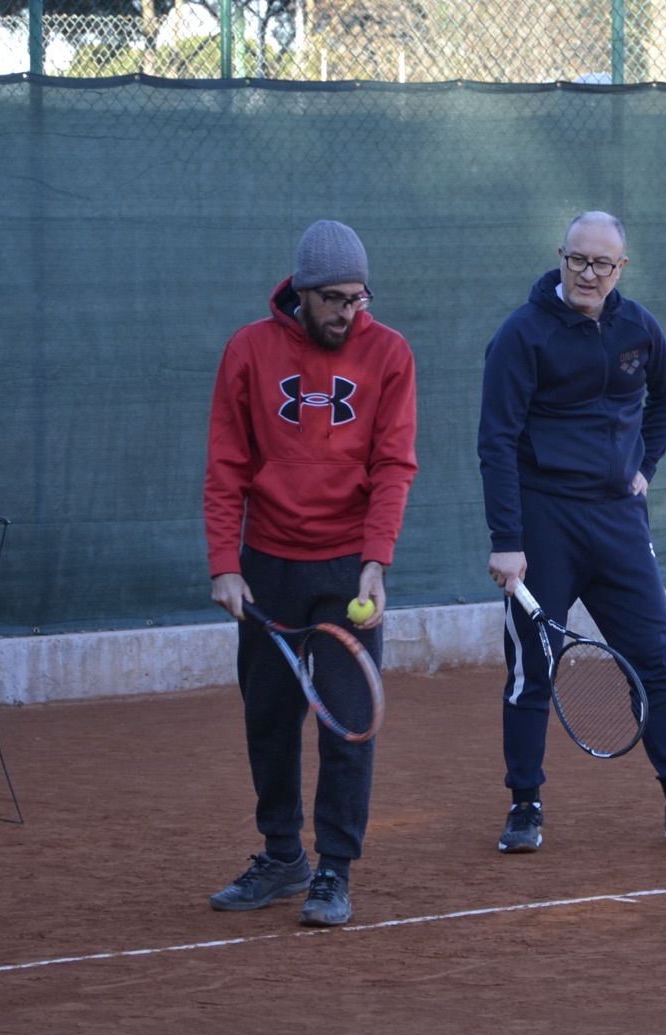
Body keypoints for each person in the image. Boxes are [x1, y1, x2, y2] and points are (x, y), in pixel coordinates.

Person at [478, 210, 666, 854]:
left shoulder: (638, 327)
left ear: (621, 267)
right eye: (577, 260)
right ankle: (525, 804)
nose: (588, 273)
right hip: (545, 524)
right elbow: (497, 441)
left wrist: (644, 466)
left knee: (652, 658)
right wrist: (507, 541)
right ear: (560, 257)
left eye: (601, 263)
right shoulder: (522, 336)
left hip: (620, 522)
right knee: (531, 669)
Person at [203, 219, 418, 925]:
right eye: (332, 300)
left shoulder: (389, 354)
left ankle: (333, 869)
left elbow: (393, 465)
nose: (347, 314)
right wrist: (225, 565)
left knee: (348, 725)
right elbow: (226, 464)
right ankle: (281, 857)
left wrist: (376, 562)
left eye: (358, 299)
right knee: (268, 721)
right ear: (300, 292)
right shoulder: (249, 351)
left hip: (346, 570)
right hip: (268, 568)